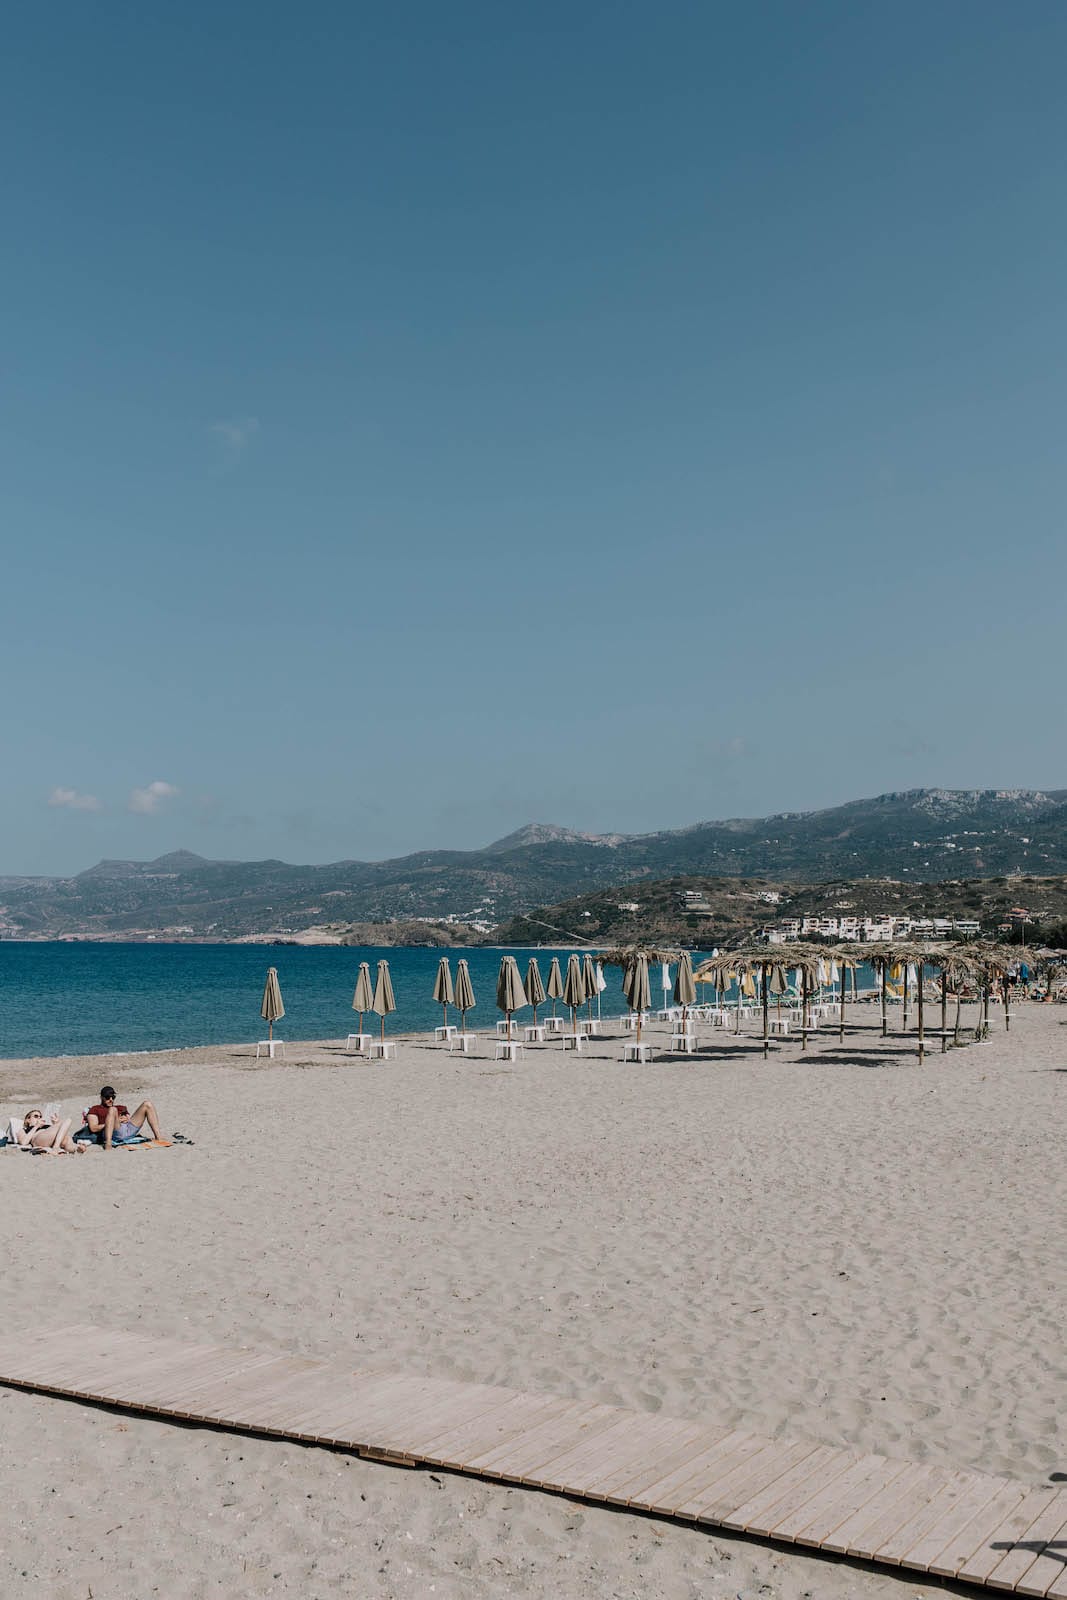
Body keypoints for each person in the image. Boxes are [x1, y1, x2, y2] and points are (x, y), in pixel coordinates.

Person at [85, 1086, 162, 1149]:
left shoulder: (120, 1107)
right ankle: (108, 1144)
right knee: (112, 1109)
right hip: (114, 1133)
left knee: (147, 1104)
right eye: (108, 1097)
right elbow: (93, 1128)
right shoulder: (95, 1109)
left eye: (113, 1097)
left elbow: (129, 1118)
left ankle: (158, 1137)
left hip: (128, 1129)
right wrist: (111, 1123)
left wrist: (126, 1118)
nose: (111, 1100)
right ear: (101, 1097)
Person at [17, 1109, 90, 1154]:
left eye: (40, 1117)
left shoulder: (45, 1125)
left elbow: (55, 1132)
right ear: (28, 1119)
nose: (39, 1118)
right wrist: (36, 1126)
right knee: (68, 1120)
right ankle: (56, 1148)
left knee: (65, 1139)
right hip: (38, 1138)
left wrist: (55, 1123)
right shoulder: (23, 1129)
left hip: (49, 1138)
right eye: (36, 1116)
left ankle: (76, 1148)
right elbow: (24, 1142)